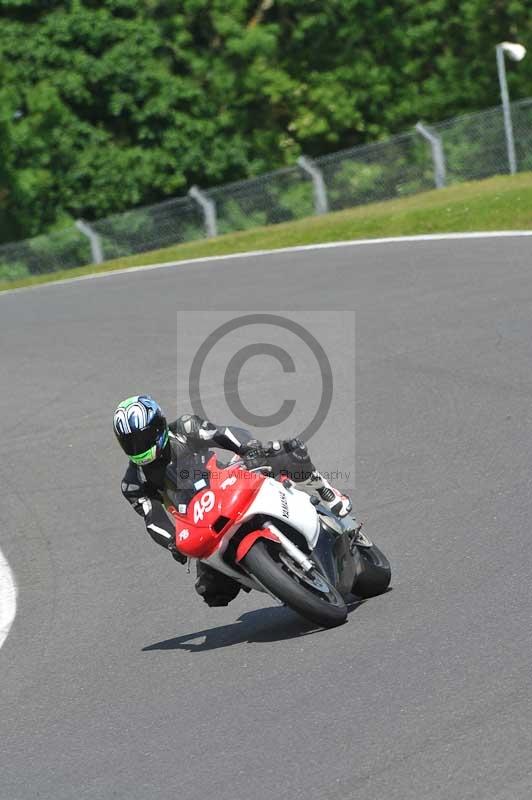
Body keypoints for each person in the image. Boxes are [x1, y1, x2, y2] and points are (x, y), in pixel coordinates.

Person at [113, 395, 352, 607]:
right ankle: (275, 581)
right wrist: (172, 542)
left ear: (158, 427)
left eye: (142, 439)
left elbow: (223, 434)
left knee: (286, 450)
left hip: (227, 481)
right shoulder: (133, 483)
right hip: (200, 521)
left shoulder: (185, 428)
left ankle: (327, 492)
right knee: (211, 591)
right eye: (130, 443)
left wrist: (248, 449)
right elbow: (153, 518)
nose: (137, 447)